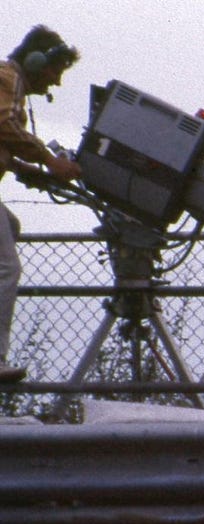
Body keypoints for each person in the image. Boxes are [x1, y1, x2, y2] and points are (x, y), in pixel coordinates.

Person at [0, 25, 83, 383]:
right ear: (36, 61)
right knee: (7, 268)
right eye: (55, 71)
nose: (55, 82)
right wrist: (49, 161)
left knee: (10, 228)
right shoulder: (7, 79)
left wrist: (20, 166)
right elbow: (2, 123)